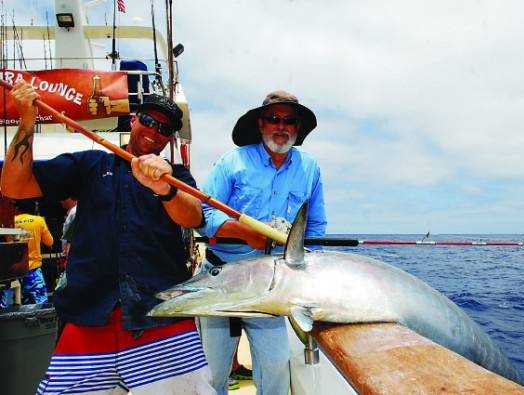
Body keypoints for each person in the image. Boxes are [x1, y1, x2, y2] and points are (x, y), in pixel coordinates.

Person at [1, 80, 216, 395]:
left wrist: (164, 187)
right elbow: (14, 188)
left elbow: (193, 216)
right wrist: (26, 120)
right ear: (133, 120)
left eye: (164, 128)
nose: (154, 131)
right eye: (148, 121)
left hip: (160, 316)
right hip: (88, 315)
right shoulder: (89, 164)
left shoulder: (176, 174)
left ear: (169, 138)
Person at [199, 90, 327, 394]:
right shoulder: (233, 162)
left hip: (273, 285)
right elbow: (203, 213)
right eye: (273, 119)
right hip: (223, 283)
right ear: (260, 124)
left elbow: (317, 226)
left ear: (297, 128)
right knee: (213, 375)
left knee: (276, 372)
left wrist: (313, 271)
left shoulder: (309, 168)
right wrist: (245, 233)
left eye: (289, 121)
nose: (280, 126)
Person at [0, 198, 54, 307]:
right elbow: (49, 242)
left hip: (13, 273)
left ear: (16, 207)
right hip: (33, 272)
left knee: (7, 313)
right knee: (38, 310)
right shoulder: (38, 220)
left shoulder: (9, 222)